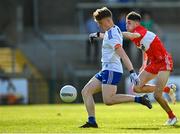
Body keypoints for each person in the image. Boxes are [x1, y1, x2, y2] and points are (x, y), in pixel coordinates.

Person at [80, 7, 152, 128]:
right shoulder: (114, 29)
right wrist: (97, 34)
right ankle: (91, 121)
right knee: (86, 91)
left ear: (107, 21)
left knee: (108, 100)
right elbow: (109, 37)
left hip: (112, 70)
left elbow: (123, 55)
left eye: (100, 23)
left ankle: (139, 99)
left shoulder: (113, 34)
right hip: (106, 69)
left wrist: (132, 72)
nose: (99, 26)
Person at [122, 11, 177, 125]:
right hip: (154, 63)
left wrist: (116, 33)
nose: (126, 25)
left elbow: (133, 36)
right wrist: (144, 63)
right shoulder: (136, 33)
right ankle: (168, 89)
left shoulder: (138, 31)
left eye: (128, 23)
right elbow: (144, 48)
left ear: (136, 23)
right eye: (126, 23)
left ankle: (172, 117)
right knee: (136, 88)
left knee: (157, 95)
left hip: (164, 61)